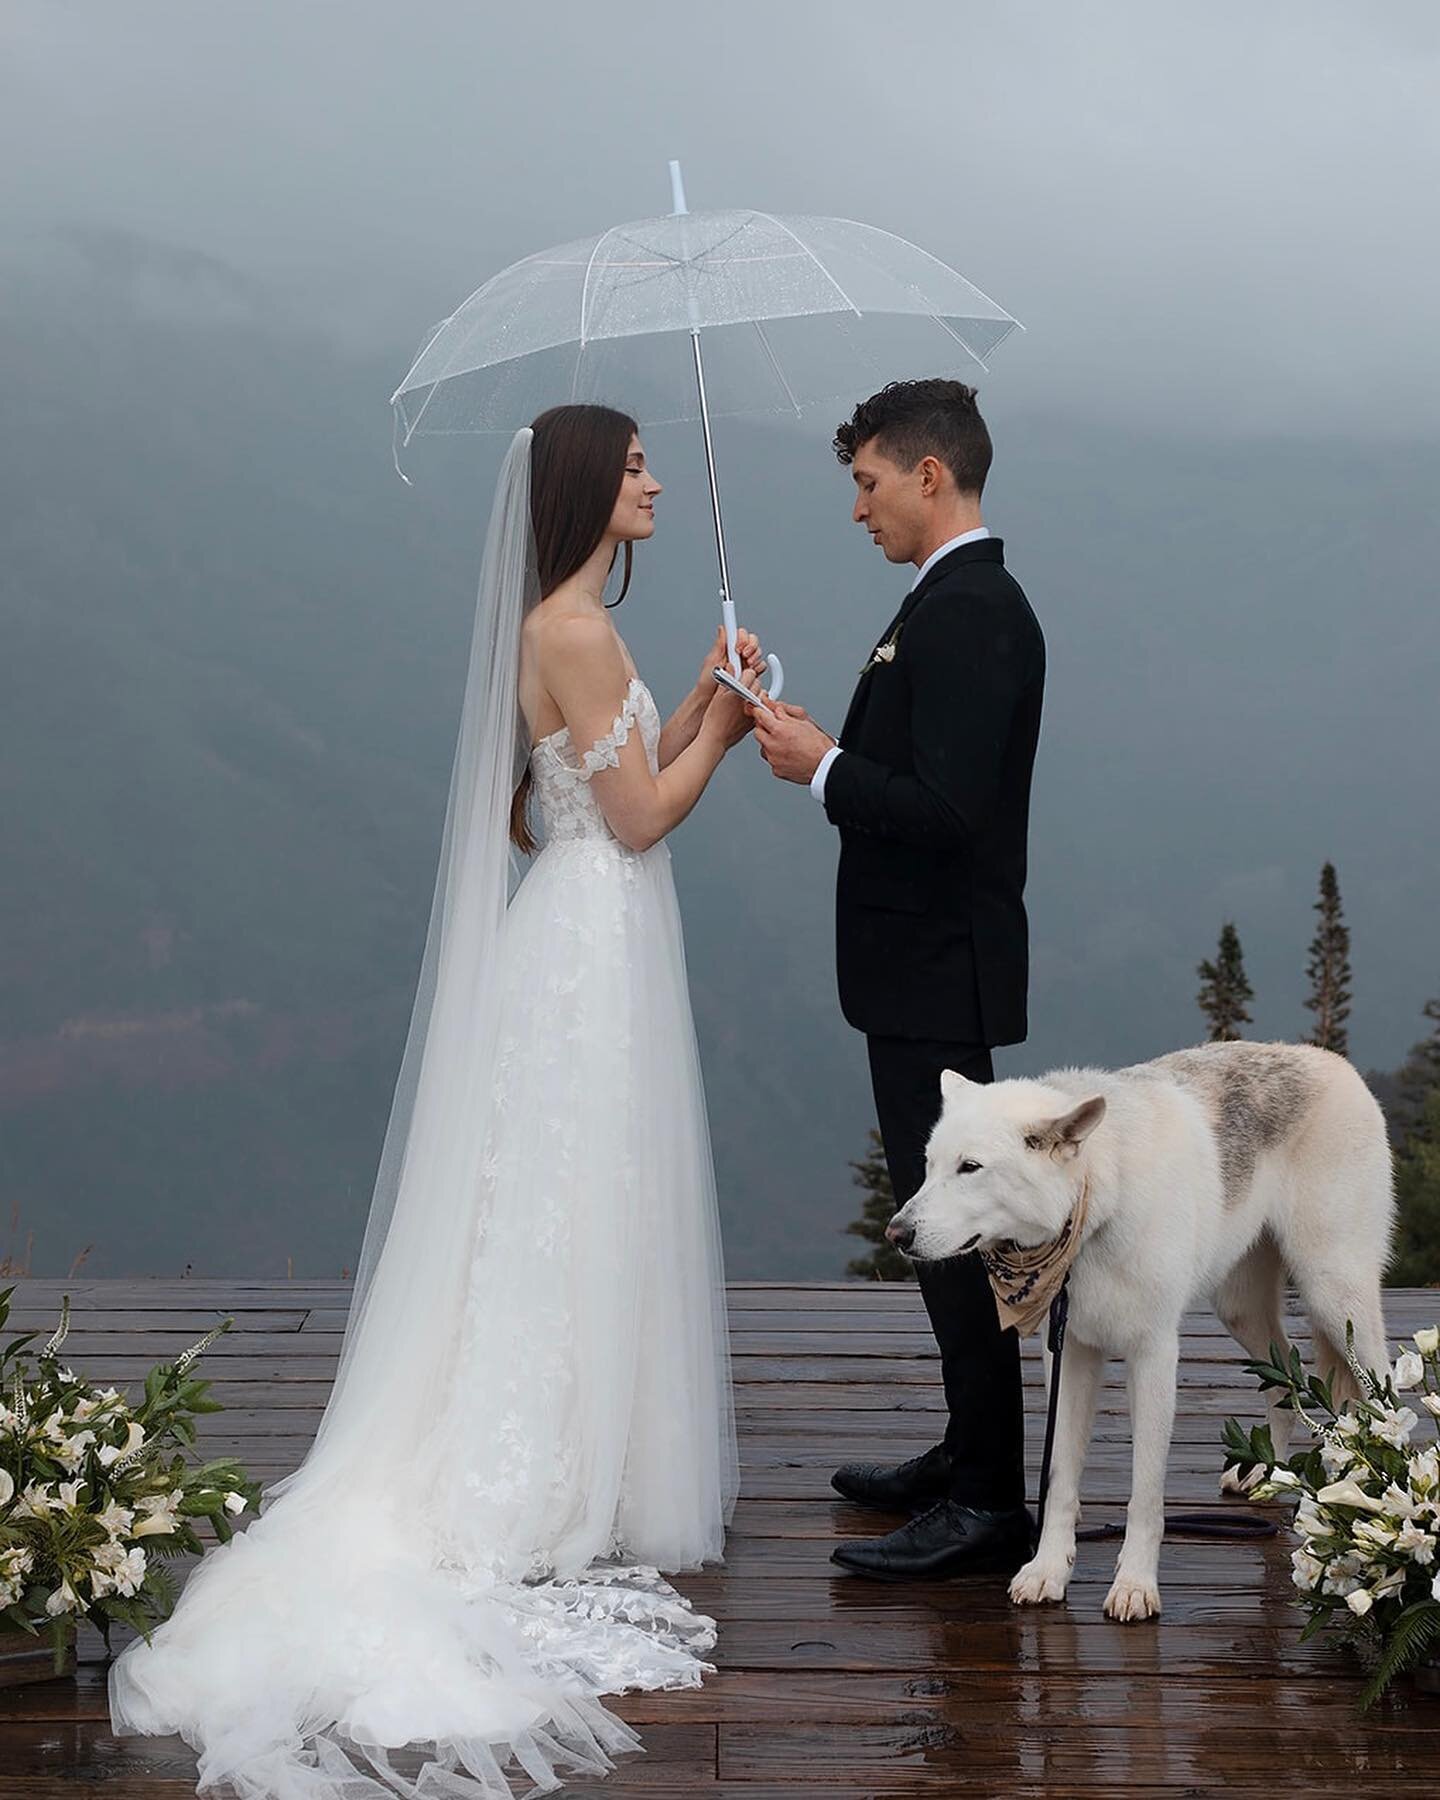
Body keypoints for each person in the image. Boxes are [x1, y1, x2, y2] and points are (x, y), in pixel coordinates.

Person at [110, 404, 764, 1798]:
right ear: (590, 484)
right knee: (577, 1199)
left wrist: (707, 701)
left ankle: (569, 1451)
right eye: (635, 462)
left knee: (557, 1205)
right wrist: (729, 728)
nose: (652, 480)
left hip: (586, 925)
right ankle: (553, 1470)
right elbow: (639, 818)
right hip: (598, 934)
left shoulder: (566, 623)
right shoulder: (576, 633)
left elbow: (602, 791)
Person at [751, 378, 1045, 1581]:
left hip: (936, 977)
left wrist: (823, 770)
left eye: (868, 484)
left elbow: (949, 811)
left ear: (931, 476)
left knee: (958, 1235)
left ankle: (987, 1501)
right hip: (912, 971)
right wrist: (829, 749)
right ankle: (965, 1453)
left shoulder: (971, 612)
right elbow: (917, 773)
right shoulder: (942, 604)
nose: (858, 509)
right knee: (944, 1232)